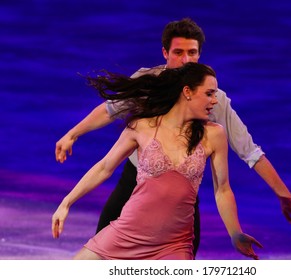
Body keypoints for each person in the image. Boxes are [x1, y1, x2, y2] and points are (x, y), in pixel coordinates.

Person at [54, 18, 291, 256]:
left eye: (192, 53)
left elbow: (248, 151)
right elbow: (110, 111)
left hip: (181, 193)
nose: (186, 60)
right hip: (135, 178)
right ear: (165, 53)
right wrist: (72, 134)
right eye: (178, 53)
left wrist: (282, 193)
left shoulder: (212, 99)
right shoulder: (147, 82)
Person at [52, 62, 263, 260]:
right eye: (209, 94)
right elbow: (104, 167)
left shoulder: (214, 134)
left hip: (174, 245)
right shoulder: (142, 126)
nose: (214, 101)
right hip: (126, 234)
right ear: (187, 92)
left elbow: (223, 190)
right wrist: (66, 202)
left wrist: (235, 233)